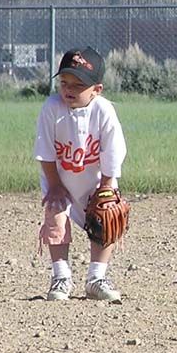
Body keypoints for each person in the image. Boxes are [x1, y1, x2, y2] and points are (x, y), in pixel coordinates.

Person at [34, 46, 127, 302]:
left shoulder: (104, 110)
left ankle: (96, 278)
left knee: (106, 217)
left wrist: (107, 187)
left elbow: (112, 151)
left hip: (96, 183)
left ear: (97, 90)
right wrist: (54, 185)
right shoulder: (52, 108)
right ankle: (60, 276)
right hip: (60, 181)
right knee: (56, 221)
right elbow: (45, 152)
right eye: (64, 82)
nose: (69, 90)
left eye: (78, 85)